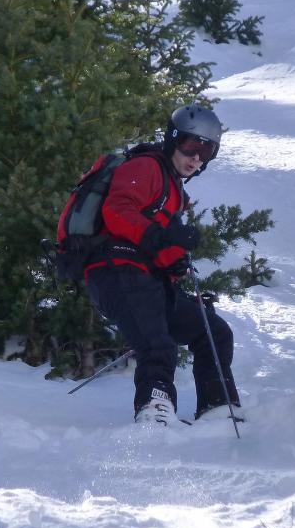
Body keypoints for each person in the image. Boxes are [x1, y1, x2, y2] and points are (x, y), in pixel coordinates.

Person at [82, 103, 241, 426]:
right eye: (191, 145)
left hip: (145, 278)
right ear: (173, 139)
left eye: (207, 151)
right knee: (158, 345)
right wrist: (159, 235)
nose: (196, 157)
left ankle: (218, 410)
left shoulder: (173, 189)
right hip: (116, 271)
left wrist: (176, 263)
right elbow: (118, 210)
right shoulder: (145, 168)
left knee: (212, 331)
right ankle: (154, 413)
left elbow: (156, 243)